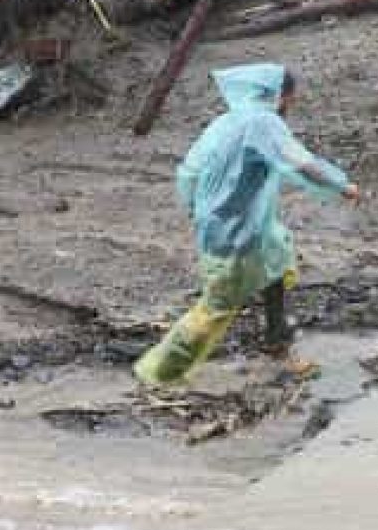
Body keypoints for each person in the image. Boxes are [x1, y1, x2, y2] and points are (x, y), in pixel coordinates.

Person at [134, 63, 358, 386]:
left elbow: (190, 171)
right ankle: (158, 372)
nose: (291, 105)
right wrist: (341, 186)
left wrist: (197, 210)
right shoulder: (263, 122)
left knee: (276, 261)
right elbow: (300, 163)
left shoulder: (227, 121)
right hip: (233, 231)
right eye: (291, 98)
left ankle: (277, 342)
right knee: (216, 307)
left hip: (234, 223)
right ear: (281, 95)